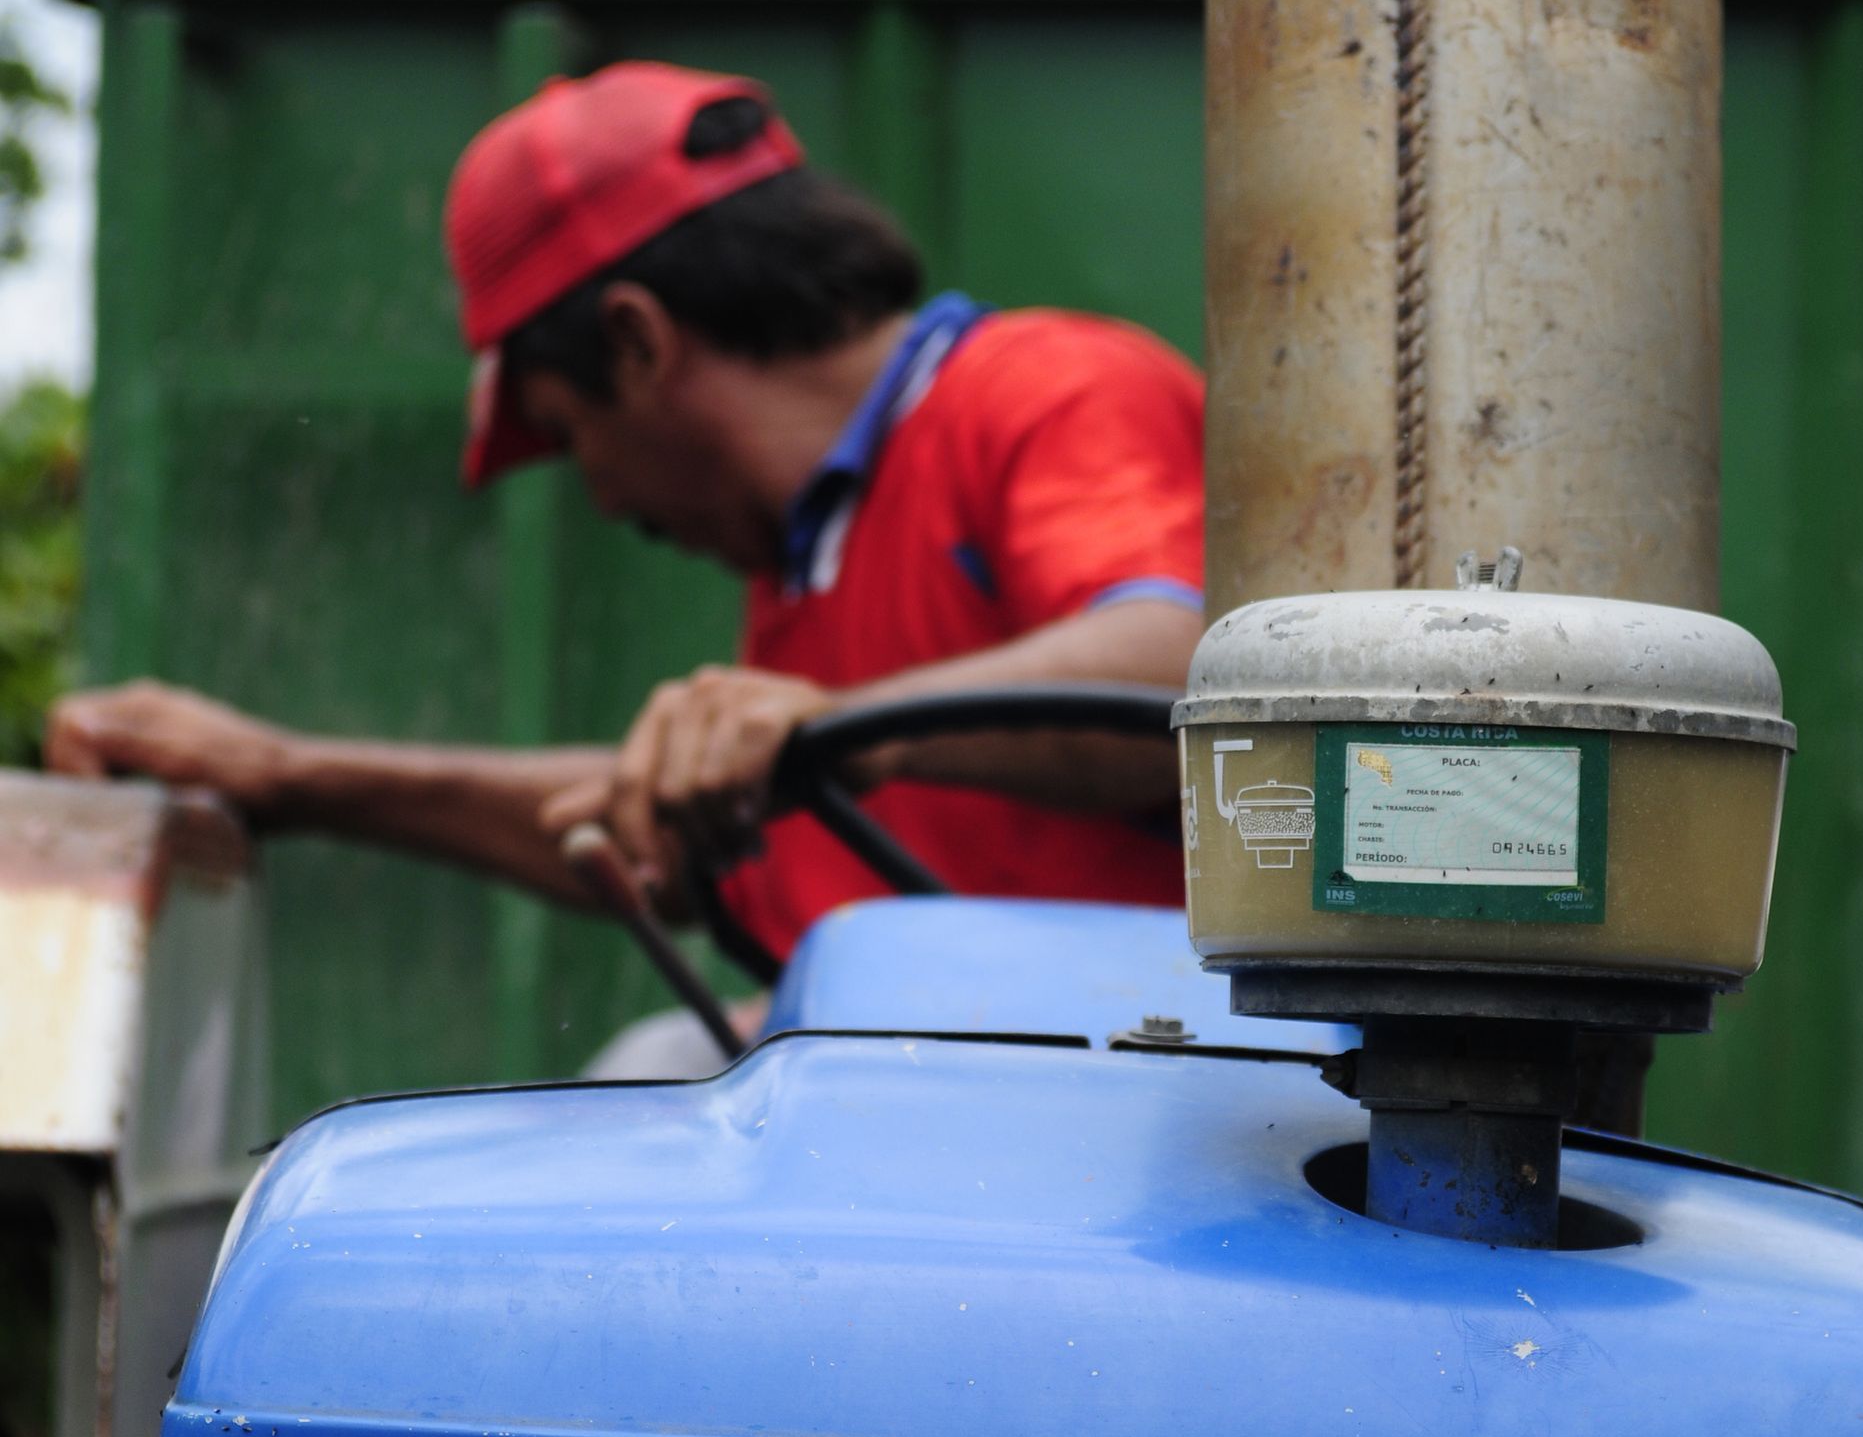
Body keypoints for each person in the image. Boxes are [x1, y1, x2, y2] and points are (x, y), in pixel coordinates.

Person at [46, 62, 1205, 1068]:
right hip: (974, 1098)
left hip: (1146, 1091)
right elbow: (653, 829)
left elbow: (1177, 674)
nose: (597, 492)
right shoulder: (807, 566)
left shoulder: (1047, 387)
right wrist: (290, 774)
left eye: (568, 431)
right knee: (648, 1070)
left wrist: (831, 727)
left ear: (638, 342)